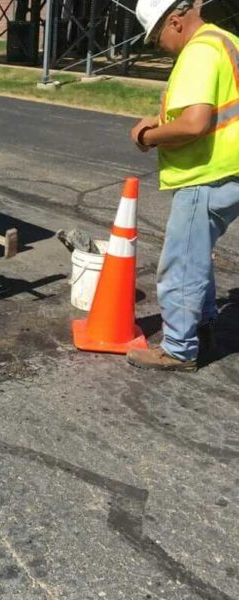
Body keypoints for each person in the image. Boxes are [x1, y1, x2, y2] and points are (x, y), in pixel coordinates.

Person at [127, 0, 239, 371]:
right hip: (229, 169)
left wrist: (149, 136)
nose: (160, 47)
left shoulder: (198, 52)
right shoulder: (224, 41)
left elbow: (194, 124)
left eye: (158, 39)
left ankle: (178, 348)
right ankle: (204, 320)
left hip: (207, 173)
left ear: (175, 22)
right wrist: (159, 118)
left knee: (179, 264)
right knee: (196, 252)